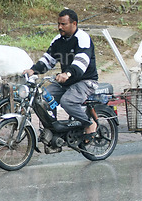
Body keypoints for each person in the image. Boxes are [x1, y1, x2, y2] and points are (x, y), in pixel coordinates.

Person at [23, 9, 98, 139]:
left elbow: (81, 62)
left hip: (85, 81)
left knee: (67, 101)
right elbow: (48, 59)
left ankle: (89, 124)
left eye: (63, 24)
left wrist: (67, 73)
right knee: (43, 97)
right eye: (59, 24)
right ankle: (53, 128)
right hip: (66, 82)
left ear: (74, 23)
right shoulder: (58, 40)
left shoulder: (82, 38)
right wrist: (33, 70)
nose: (60, 27)